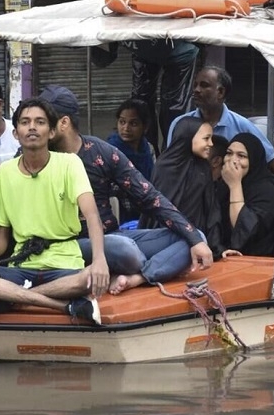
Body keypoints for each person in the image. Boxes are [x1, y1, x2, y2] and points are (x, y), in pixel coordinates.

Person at [39, 86, 213, 295]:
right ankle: (152, 267)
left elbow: (151, 198)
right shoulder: (34, 156)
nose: (35, 128)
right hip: (70, 245)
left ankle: (138, 278)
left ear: (63, 123)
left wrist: (193, 239)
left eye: (42, 121)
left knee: (196, 236)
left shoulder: (101, 152)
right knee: (127, 251)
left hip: (112, 235)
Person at [0, 97, 108, 324]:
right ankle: (63, 305)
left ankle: (11, 299)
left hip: (64, 263)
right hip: (21, 266)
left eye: (40, 122)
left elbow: (92, 216)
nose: (32, 128)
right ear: (16, 133)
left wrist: (99, 261)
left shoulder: (70, 164)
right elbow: (2, 234)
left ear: (51, 132)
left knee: (90, 277)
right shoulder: (6, 172)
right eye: (25, 122)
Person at [90, 0, 199, 146]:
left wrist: (180, 2)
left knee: (173, 106)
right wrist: (92, 42)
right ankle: (145, 151)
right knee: (140, 104)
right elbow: (104, 59)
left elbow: (195, 14)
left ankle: (173, 155)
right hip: (144, 53)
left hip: (177, 54)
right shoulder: (114, 11)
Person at [167, 65, 274, 176]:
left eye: (204, 85)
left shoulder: (243, 126)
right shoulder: (179, 124)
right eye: (195, 85)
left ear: (221, 92)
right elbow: (170, 167)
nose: (196, 90)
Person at [148, 117, 220, 254]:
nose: (211, 144)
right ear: (188, 137)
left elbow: (211, 208)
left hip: (199, 240)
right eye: (206, 138)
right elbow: (161, 210)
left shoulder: (203, 167)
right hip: (166, 240)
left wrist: (215, 245)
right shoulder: (165, 167)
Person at [217, 132, 274, 257]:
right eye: (229, 153)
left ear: (253, 160)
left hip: (257, 259)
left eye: (241, 156)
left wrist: (235, 185)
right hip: (223, 255)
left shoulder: (266, 191)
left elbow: (245, 232)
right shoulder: (222, 185)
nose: (233, 160)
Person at [106, 98, 156, 222]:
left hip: (147, 209)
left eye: (133, 124)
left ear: (145, 127)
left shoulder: (148, 149)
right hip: (118, 213)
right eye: (122, 122)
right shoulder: (110, 151)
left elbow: (154, 181)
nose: (126, 128)